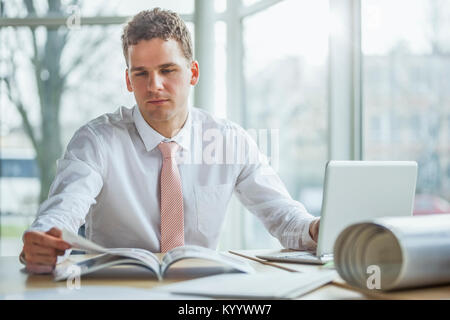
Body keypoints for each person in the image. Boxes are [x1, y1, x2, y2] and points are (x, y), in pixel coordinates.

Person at [20, 8, 321, 274]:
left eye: (167, 70)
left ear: (193, 73)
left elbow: (284, 217)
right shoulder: (96, 141)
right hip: (116, 291)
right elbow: (63, 210)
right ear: (128, 80)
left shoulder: (229, 141)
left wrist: (316, 229)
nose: (154, 86)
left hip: (199, 294)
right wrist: (43, 238)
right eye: (141, 74)